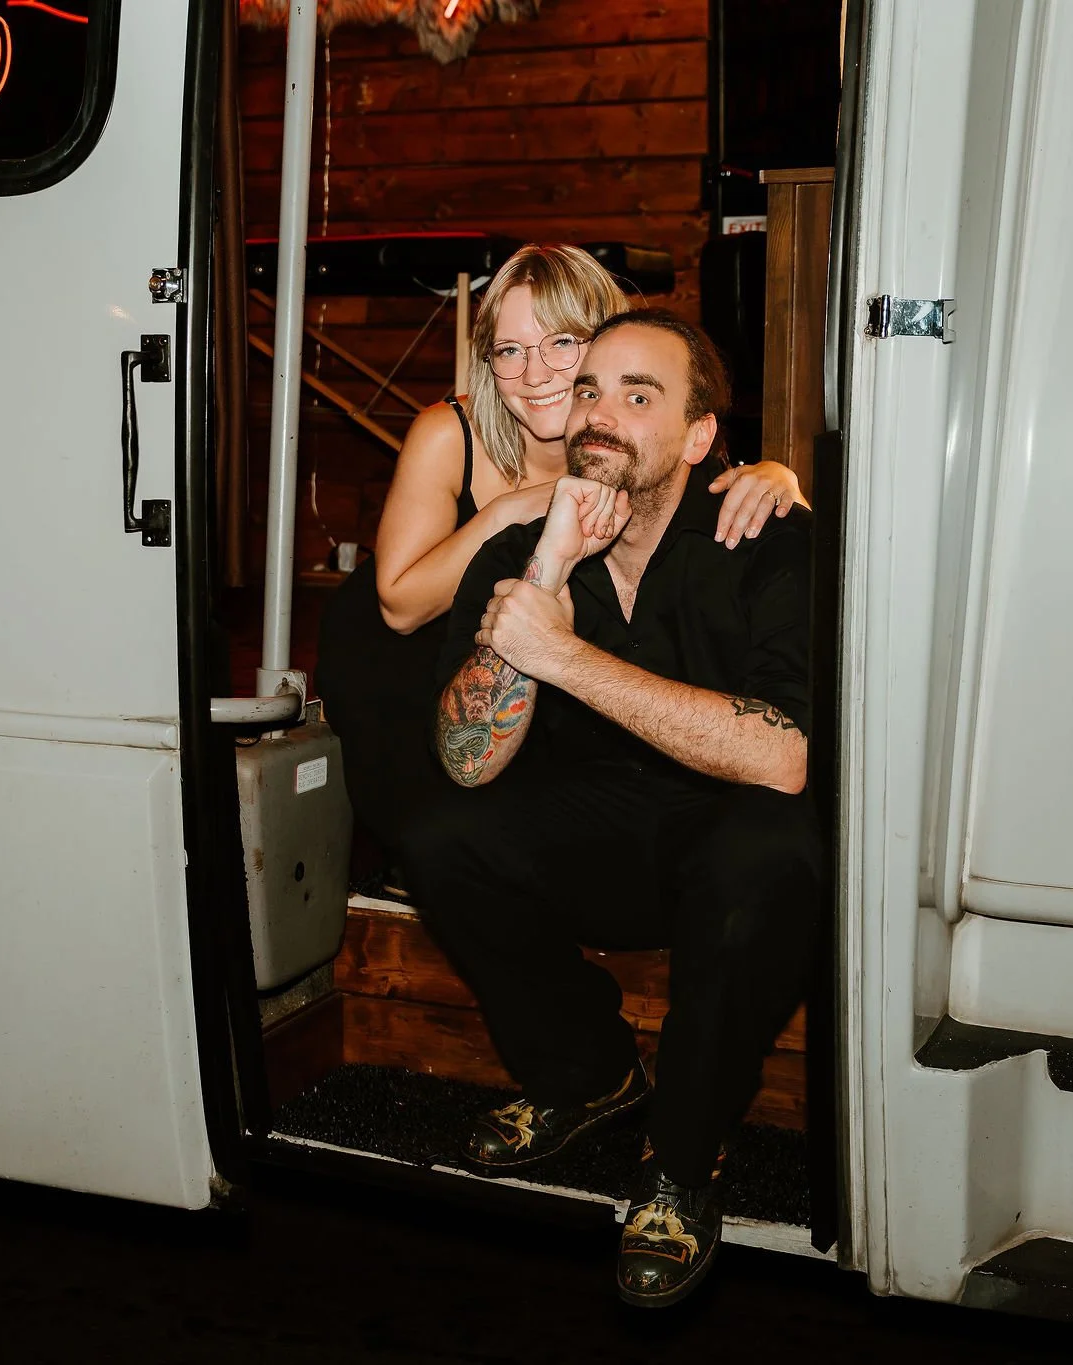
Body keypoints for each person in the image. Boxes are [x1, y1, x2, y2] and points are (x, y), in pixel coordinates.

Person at [400, 309, 821, 1308]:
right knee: (437, 835)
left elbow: (783, 758)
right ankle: (586, 1074)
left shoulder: (764, 532)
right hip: (613, 827)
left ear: (699, 435)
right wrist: (543, 571)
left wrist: (562, 658)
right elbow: (466, 758)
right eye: (590, 390)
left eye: (641, 396)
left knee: (763, 857)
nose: (602, 413)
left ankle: (681, 1159)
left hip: (739, 829)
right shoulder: (535, 543)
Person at [315, 246, 803, 891]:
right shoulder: (449, 433)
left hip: (532, 657)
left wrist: (779, 476)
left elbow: (714, 484)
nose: (534, 372)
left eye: (561, 343)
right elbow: (400, 606)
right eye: (509, 350)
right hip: (404, 657)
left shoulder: (630, 429)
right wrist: (518, 510)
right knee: (437, 820)